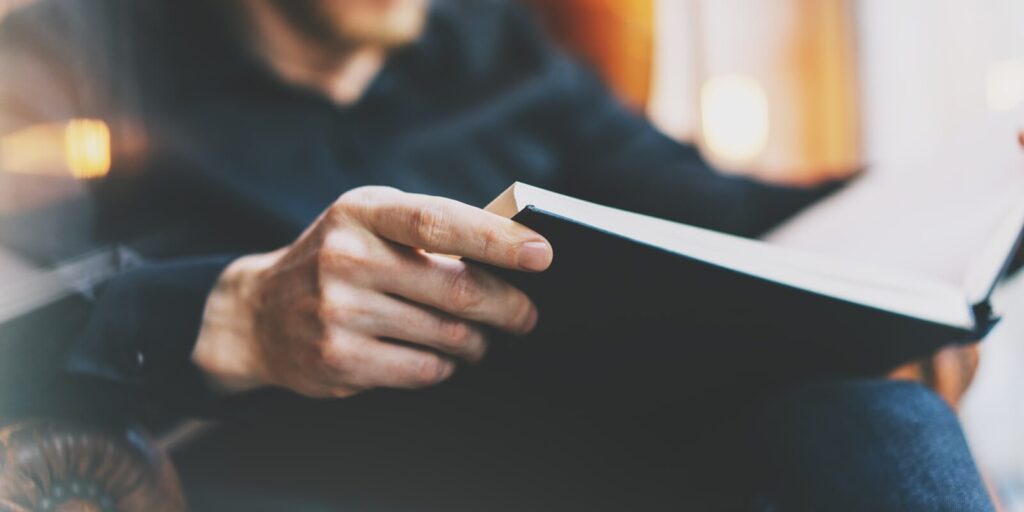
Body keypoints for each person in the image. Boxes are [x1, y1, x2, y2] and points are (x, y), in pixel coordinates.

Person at [0, 0, 996, 509]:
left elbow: (716, 211)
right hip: (300, 480)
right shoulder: (65, 56)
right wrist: (241, 313)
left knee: (877, 416)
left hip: (587, 458)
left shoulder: (493, 47)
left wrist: (965, 196)